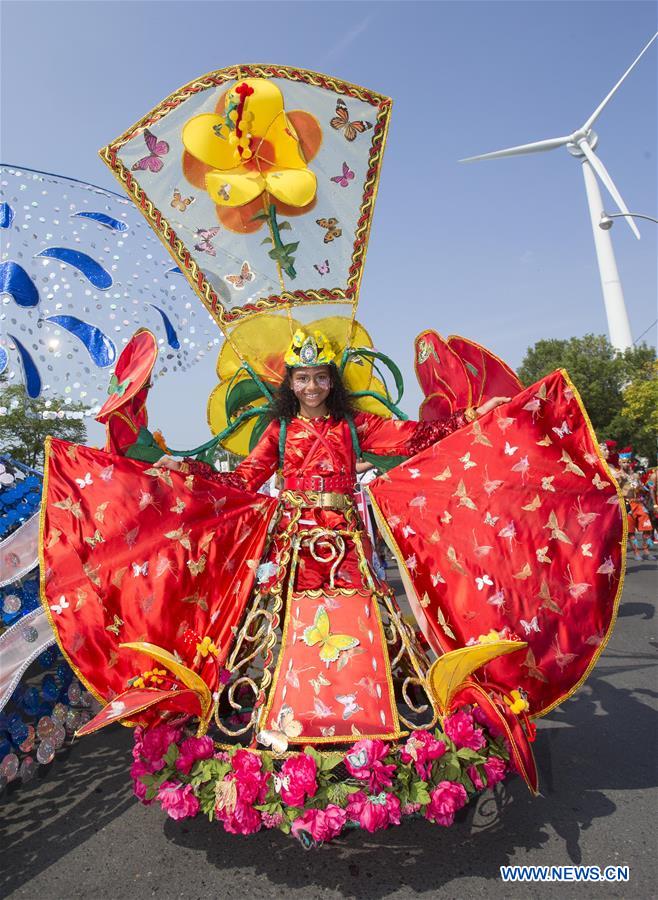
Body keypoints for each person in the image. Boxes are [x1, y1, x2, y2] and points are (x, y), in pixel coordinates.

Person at [157, 330, 509, 743]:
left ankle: (364, 709)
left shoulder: (354, 425)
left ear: (332, 381)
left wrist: (473, 417)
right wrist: (189, 469)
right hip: (296, 546)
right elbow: (243, 479)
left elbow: (412, 437)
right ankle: (293, 713)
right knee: (292, 623)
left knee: (357, 617)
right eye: (303, 377)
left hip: (347, 544)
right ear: (290, 382)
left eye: (320, 377)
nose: (311, 387)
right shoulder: (280, 431)